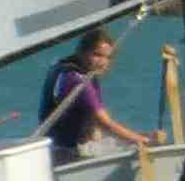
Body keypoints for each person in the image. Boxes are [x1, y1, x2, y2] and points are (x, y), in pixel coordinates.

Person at [39, 28, 145, 163]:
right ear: (82, 52)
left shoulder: (76, 71)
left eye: (108, 57)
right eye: (97, 55)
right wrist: (142, 141)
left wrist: (137, 137)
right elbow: (105, 124)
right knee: (136, 147)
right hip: (64, 154)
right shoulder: (77, 81)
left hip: (65, 148)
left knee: (125, 144)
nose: (103, 62)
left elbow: (97, 125)